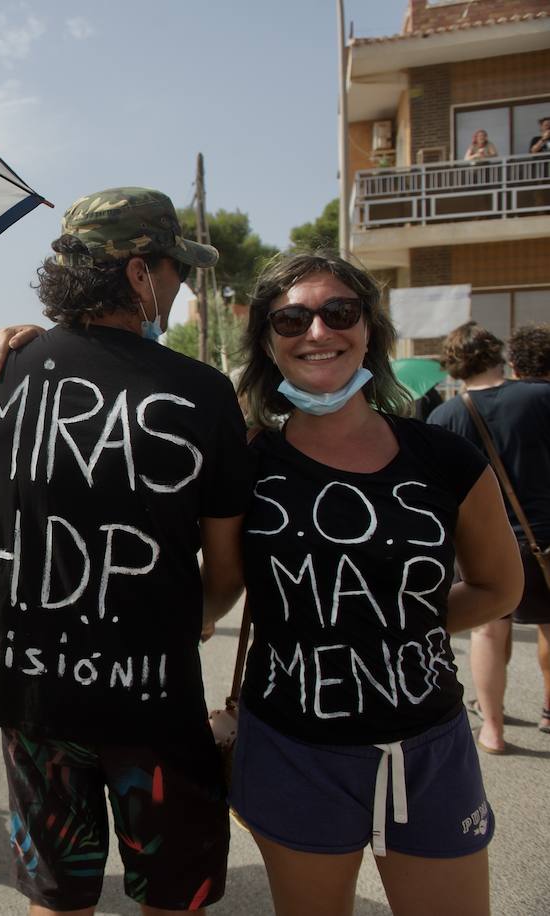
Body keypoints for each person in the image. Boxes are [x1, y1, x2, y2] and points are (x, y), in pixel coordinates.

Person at [0, 187, 248, 916]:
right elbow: (226, 572)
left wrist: (37, 541)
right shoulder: (200, 392)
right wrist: (192, 617)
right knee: (173, 896)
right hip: (153, 699)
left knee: (59, 897)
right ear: (141, 274)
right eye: (174, 270)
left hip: (32, 697)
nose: (178, 286)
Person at [231, 253, 522, 916]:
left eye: (339, 311)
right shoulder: (246, 463)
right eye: (291, 317)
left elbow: (499, 589)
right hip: (291, 746)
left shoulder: (444, 457)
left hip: (429, 748)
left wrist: (392, 626)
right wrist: (46, 347)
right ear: (268, 340)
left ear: (368, 329)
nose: (317, 331)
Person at [426, 322, 550, 751]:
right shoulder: (540, 397)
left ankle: (492, 729)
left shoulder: (444, 416)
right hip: (546, 537)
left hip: (478, 545)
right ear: (499, 355)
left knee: (487, 632)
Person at [507, 323, 550, 735]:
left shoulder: (480, 404)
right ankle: (549, 709)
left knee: (491, 625)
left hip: (502, 535)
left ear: (515, 361)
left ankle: (492, 717)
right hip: (547, 534)